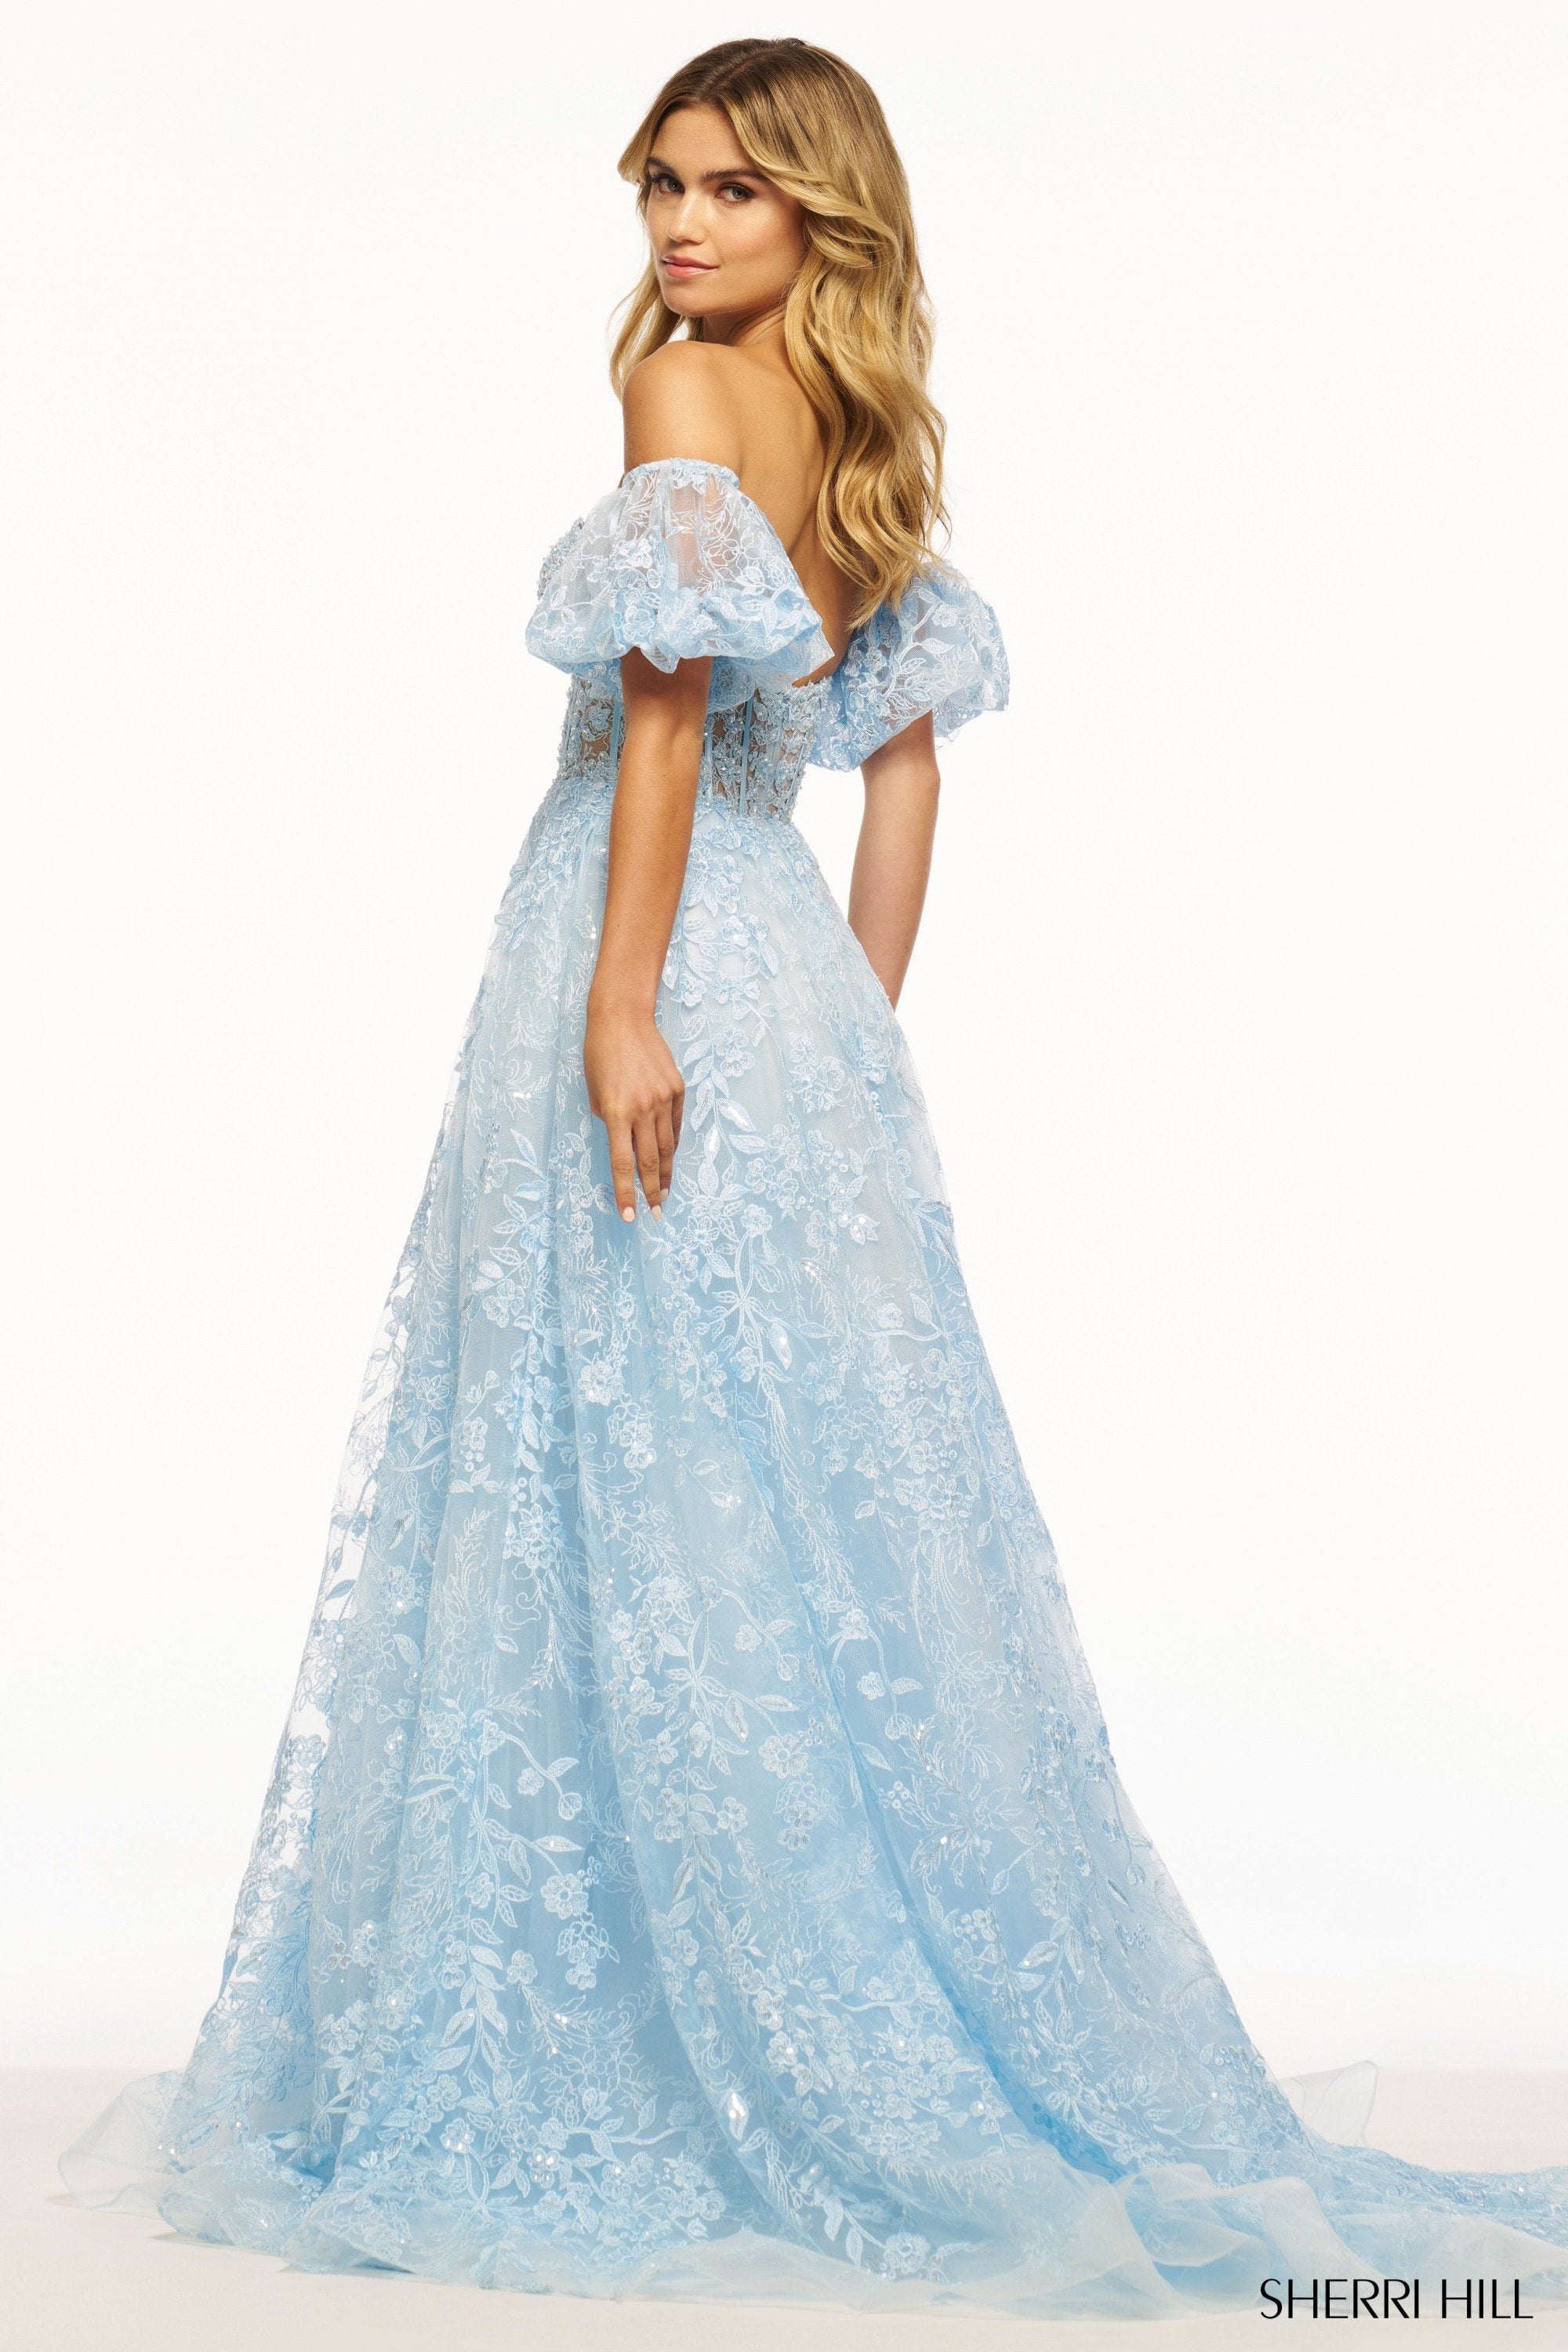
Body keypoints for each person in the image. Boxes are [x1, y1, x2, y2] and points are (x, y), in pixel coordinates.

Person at [61, 36, 1568, 2318]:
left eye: (732, 192)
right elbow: (902, 772)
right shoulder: (859, 435)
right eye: (659, 186)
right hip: (774, 977)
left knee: (603, 1451)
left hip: (641, 938)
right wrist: (846, 1028)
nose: (681, 230)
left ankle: (629, 2026)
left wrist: (622, 1001)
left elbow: (667, 717)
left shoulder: (682, 395)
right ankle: (750, 1990)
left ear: (819, 215)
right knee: (760, 1479)